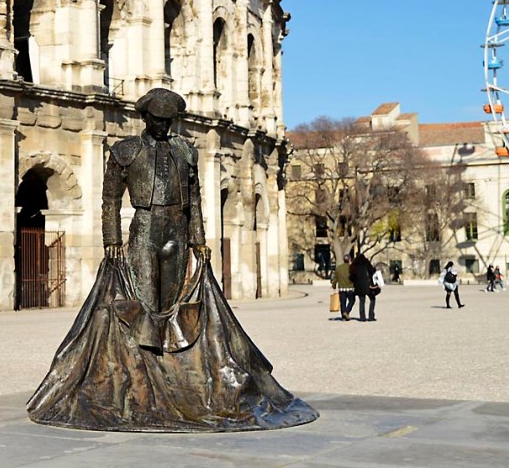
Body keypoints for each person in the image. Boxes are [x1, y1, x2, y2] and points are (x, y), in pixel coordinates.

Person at [28, 88, 317, 432]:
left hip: (177, 232)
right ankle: (145, 383)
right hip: (145, 228)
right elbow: (109, 200)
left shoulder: (185, 152)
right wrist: (112, 240)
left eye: (169, 121)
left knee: (173, 302)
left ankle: (168, 374)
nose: (164, 126)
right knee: (145, 304)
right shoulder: (126, 151)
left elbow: (194, 200)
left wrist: (198, 240)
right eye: (158, 120)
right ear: (145, 118)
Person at [350, 253, 376, 322]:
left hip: (358, 286)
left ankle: (362, 317)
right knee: (372, 299)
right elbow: (372, 270)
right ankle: (371, 315)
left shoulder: (354, 265)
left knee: (362, 301)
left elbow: (351, 276)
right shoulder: (366, 263)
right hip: (368, 285)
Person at [331, 254, 355, 321]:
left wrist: (334, 285)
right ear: (349, 260)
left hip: (342, 288)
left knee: (343, 302)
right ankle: (346, 312)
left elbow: (335, 278)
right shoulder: (351, 267)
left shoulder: (339, 268)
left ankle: (343, 317)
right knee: (352, 300)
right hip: (350, 288)